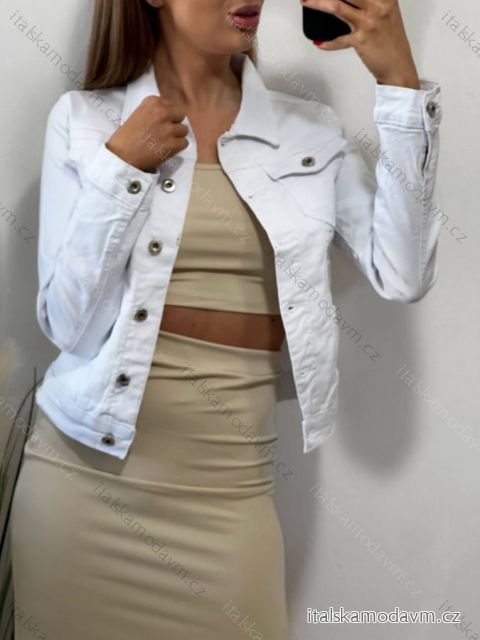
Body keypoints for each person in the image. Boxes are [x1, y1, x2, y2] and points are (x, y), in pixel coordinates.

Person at [9, 0, 442, 638]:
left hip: (232, 498)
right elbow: (66, 325)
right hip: (80, 489)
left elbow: (403, 276)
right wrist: (122, 169)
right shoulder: (86, 120)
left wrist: (399, 83)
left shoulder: (309, 131)